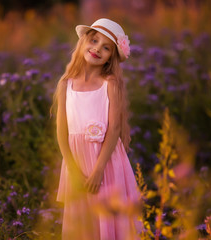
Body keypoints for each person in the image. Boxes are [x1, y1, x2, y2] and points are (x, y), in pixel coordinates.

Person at [52, 18, 143, 240]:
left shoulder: (109, 83)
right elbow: (62, 132)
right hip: (77, 161)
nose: (97, 49)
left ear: (112, 56)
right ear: (84, 41)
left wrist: (99, 169)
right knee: (83, 220)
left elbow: (114, 130)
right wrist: (72, 168)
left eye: (106, 47)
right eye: (94, 41)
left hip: (106, 162)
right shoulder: (66, 84)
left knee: (108, 217)